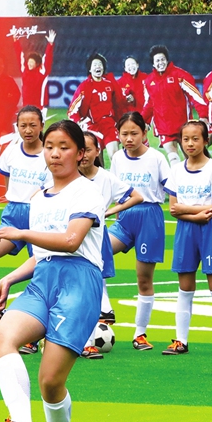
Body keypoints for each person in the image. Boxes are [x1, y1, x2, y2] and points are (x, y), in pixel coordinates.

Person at [0, 120, 106, 422]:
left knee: (50, 381)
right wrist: (10, 277)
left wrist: (22, 233)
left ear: (81, 154)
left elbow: (70, 241)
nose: (55, 153)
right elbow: (43, 255)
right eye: (50, 146)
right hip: (44, 279)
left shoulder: (87, 192)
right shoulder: (39, 198)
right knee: (1, 336)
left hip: (80, 282)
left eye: (64, 146)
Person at [0, 106, 50, 342]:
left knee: (42, 273)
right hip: (13, 214)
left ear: (41, 126)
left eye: (33, 125)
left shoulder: (49, 154)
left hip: (39, 217)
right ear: (17, 127)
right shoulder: (10, 151)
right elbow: (8, 185)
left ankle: (34, 329)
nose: (27, 130)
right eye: (23, 125)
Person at [162, 120, 212, 357]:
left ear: (205, 140)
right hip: (186, 230)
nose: (190, 143)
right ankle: (181, 340)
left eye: (195, 139)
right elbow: (173, 209)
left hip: (209, 230)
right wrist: (196, 213)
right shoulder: (176, 170)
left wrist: (187, 209)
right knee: (185, 286)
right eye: (185, 139)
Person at [106, 111, 170, 351]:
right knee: (98, 255)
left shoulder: (157, 158)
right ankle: (104, 311)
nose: (129, 138)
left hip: (149, 217)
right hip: (124, 218)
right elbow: (113, 190)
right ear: (118, 135)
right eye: (124, 134)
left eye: (134, 133)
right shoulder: (117, 159)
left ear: (145, 133)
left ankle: (140, 334)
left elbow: (170, 188)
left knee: (144, 280)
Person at [78, 129, 142, 359]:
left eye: (88, 149)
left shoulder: (105, 177)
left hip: (95, 238)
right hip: (71, 239)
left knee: (90, 286)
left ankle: (86, 342)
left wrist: (111, 210)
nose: (84, 154)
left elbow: (137, 196)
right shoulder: (68, 176)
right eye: (80, 149)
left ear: (98, 151)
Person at [141, 45, 206, 165]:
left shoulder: (180, 75)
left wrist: (204, 115)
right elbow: (149, 104)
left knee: (193, 158)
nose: (160, 62)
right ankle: (179, 182)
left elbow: (195, 95)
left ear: (167, 60)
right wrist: (141, 121)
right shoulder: (149, 81)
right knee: (173, 158)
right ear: (153, 64)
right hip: (163, 127)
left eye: (162, 59)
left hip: (183, 125)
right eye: (157, 60)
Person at [68, 53, 125, 158]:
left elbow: (119, 103)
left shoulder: (110, 84)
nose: (98, 66)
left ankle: (117, 174)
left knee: (115, 156)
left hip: (109, 124)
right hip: (93, 127)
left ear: (103, 68)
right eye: (94, 65)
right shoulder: (84, 87)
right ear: (90, 69)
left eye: (100, 64)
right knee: (97, 161)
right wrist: (78, 121)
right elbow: (72, 110)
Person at [19, 29, 56, 109]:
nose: (30, 64)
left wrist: (50, 44)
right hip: (26, 106)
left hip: (39, 106)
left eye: (32, 62)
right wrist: (15, 41)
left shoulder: (41, 72)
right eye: (29, 62)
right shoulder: (24, 71)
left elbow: (48, 58)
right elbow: (19, 55)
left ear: (37, 64)